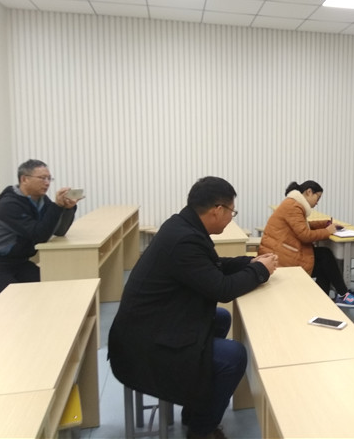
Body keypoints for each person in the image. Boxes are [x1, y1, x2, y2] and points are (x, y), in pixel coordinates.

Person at [108, 176, 278, 439]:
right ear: (217, 210)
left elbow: (210, 267)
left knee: (220, 318)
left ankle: (195, 407)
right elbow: (221, 289)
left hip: (155, 323)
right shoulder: (185, 240)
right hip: (143, 346)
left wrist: (250, 263)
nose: (231, 218)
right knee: (234, 356)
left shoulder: (183, 226)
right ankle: (201, 430)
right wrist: (260, 271)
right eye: (232, 212)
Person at [259, 180, 354, 308]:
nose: (317, 202)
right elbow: (305, 235)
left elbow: (304, 225)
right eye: (318, 197)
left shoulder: (293, 203)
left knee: (324, 262)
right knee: (325, 258)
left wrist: (325, 224)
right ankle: (341, 295)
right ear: (309, 192)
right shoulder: (293, 206)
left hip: (283, 253)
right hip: (282, 259)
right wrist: (327, 231)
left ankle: (326, 302)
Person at [0, 159, 80, 297]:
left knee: (51, 291)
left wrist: (67, 209)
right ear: (24, 179)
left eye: (49, 178)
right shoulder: (9, 205)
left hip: (20, 262)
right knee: (13, 299)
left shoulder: (41, 200)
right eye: (42, 178)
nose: (47, 183)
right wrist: (57, 206)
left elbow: (59, 231)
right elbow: (39, 235)